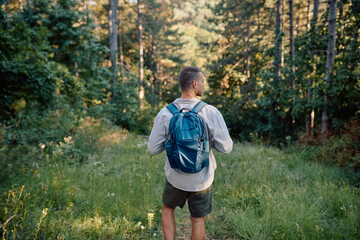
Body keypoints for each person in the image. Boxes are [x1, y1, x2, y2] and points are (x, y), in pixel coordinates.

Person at [148, 66, 233, 240]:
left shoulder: (165, 113)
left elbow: (153, 148)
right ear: (194, 84)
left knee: (167, 209)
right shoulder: (210, 112)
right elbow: (226, 148)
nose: (204, 84)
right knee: (198, 220)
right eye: (202, 81)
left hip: (175, 176)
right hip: (201, 179)